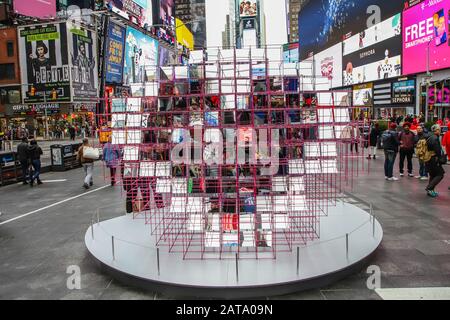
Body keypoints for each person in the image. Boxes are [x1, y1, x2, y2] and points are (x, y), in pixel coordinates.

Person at [425, 125, 446, 197]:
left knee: (433, 175)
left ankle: (431, 191)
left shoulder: (429, 136)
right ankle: (429, 188)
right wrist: (440, 158)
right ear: (436, 130)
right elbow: (437, 150)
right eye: (439, 130)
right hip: (434, 159)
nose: (440, 132)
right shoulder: (435, 138)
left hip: (429, 158)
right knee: (440, 174)